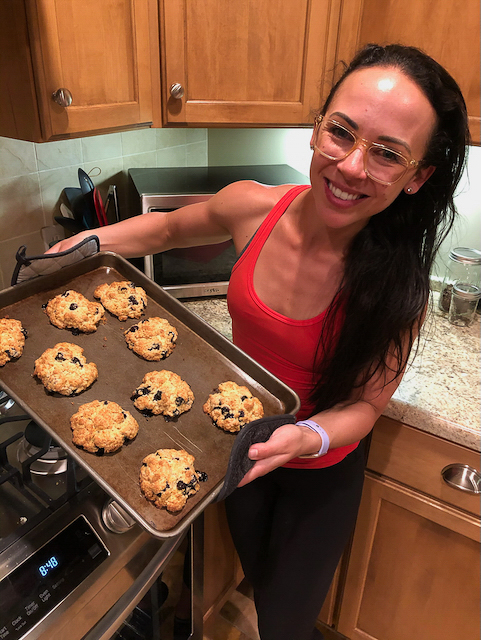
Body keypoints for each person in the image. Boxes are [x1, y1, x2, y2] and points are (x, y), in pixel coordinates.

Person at [48, 43, 469, 640]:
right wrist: (94, 241)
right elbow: (167, 228)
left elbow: (366, 406)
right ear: (316, 127)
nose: (351, 167)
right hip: (235, 444)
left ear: (416, 177)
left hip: (320, 466)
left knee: (286, 619)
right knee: (253, 570)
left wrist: (305, 436)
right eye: (341, 133)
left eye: (387, 154)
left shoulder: (398, 287)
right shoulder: (252, 206)